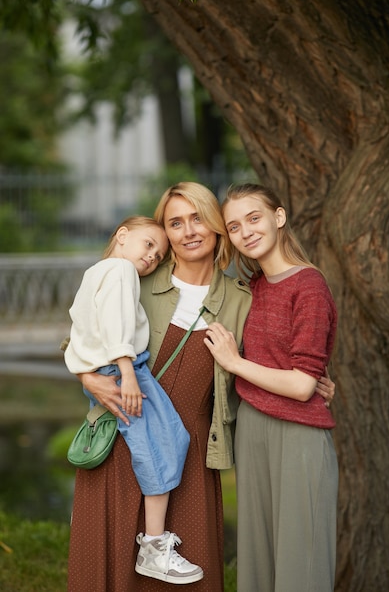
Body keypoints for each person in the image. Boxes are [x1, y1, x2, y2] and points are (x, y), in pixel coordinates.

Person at [66, 182, 335, 592]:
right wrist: (88, 377)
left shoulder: (244, 298)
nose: (189, 231)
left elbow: (280, 355)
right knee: (111, 569)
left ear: (216, 228)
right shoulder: (137, 279)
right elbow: (82, 332)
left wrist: (316, 382)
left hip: (191, 451)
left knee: (188, 577)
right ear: (166, 233)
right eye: (175, 223)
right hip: (123, 438)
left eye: (198, 219)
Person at [204, 183, 339, 592]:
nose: (245, 231)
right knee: (257, 566)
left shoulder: (308, 286)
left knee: (302, 565)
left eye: (254, 218)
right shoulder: (256, 288)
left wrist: (235, 363)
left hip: (298, 435)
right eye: (234, 226)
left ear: (278, 218)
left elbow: (301, 385)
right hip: (253, 429)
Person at [64, 215, 203, 585]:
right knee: (162, 445)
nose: (152, 257)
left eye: (158, 255)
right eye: (148, 245)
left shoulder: (96, 272)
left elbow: (78, 329)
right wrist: (126, 371)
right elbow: (116, 321)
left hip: (108, 367)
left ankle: (154, 545)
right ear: (122, 236)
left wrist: (84, 371)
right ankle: (155, 547)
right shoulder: (121, 271)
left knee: (167, 440)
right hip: (124, 369)